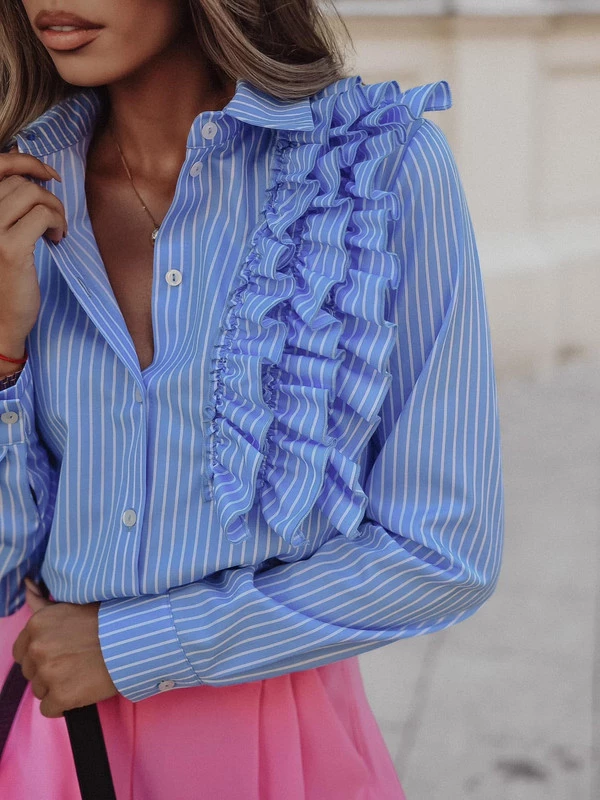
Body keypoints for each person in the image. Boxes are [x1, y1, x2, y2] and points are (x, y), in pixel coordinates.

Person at [0, 0, 504, 798]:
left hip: (273, 748)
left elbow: (443, 553)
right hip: (53, 735)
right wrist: (2, 352)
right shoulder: (15, 192)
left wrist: (136, 646)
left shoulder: (377, 170)